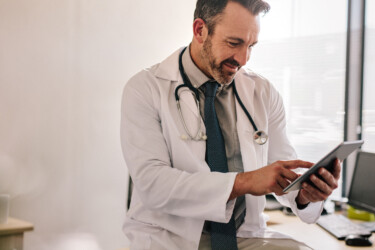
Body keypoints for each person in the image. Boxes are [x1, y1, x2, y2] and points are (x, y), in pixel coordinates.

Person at [120, 0, 341, 249]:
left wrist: (304, 194)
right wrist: (244, 182)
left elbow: (284, 170)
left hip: (244, 237)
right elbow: (153, 185)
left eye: (251, 46)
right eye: (234, 43)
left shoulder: (263, 92)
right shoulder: (145, 89)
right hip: (170, 238)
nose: (243, 59)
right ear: (200, 30)